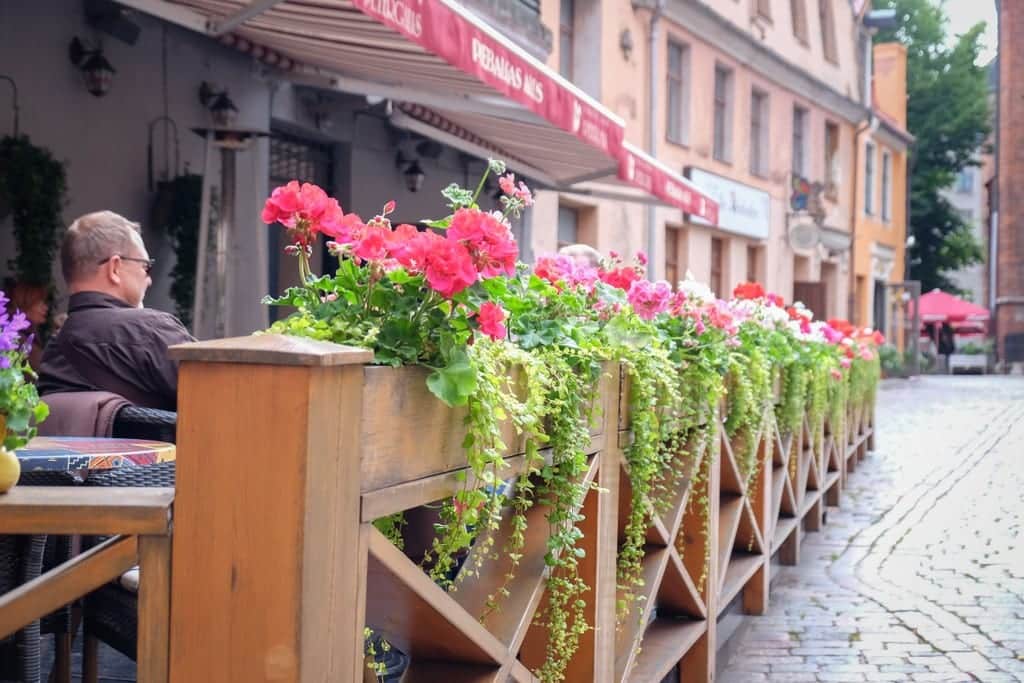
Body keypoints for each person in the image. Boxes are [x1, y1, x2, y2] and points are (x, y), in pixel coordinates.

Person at [38, 211, 195, 410]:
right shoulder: (151, 331)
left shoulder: (52, 354)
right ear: (115, 268)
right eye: (146, 266)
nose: (149, 279)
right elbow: (221, 396)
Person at [3, 280, 49, 371]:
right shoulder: (21, 338)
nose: (45, 308)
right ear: (26, 305)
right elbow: (46, 370)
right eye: (40, 303)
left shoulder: (24, 333)